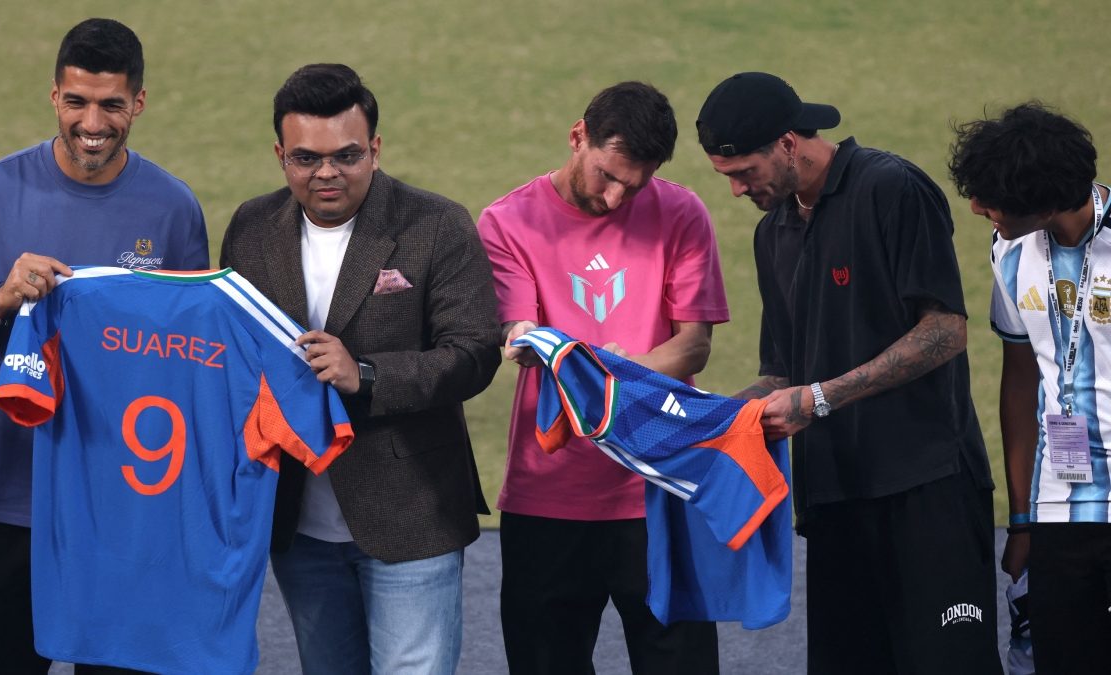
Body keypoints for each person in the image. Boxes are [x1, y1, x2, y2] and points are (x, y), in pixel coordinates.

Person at [0, 18, 208, 674]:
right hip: (4, 507)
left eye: (110, 104)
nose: (92, 122)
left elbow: (190, 359)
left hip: (123, 512)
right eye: (76, 101)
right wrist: (1, 298)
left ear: (138, 102)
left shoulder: (173, 209)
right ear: (54, 97)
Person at [695, 72, 1000, 674]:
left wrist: (821, 399)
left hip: (926, 488)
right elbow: (783, 368)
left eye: (742, 173)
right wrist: (723, 415)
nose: (735, 191)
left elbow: (945, 329)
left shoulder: (892, 188)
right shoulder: (773, 232)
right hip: (836, 499)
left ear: (787, 143)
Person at [220, 63, 500, 675]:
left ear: (375, 148)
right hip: (299, 525)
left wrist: (365, 375)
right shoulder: (249, 228)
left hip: (412, 520)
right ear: (279, 154)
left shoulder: (437, 225)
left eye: (346, 155)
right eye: (305, 158)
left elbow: (475, 353)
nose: (326, 173)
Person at [478, 81, 729, 674]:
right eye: (606, 176)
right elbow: (519, 336)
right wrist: (586, 361)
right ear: (577, 137)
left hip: (660, 485)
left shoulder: (682, 212)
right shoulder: (507, 222)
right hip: (549, 493)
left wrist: (609, 369)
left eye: (635, 184)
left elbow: (693, 345)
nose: (618, 198)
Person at [949, 101, 1110, 675]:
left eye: (991, 200)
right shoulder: (1007, 249)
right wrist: (1021, 519)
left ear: (1044, 204)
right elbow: (1019, 383)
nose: (975, 207)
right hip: (1062, 507)